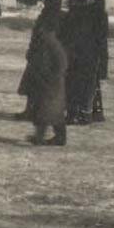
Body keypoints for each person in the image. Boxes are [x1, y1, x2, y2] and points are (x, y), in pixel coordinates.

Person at [15, 0, 63, 120]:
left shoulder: (52, 17)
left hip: (45, 56)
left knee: (39, 87)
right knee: (34, 85)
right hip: (40, 55)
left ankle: (35, 112)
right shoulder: (50, 15)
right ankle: (30, 110)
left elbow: (44, 35)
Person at [26, 8, 68, 146]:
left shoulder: (50, 42)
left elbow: (61, 62)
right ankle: (59, 137)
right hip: (47, 80)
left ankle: (41, 137)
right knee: (51, 110)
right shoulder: (46, 41)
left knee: (45, 110)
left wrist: (53, 77)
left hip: (51, 82)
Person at [60, 0, 101, 125]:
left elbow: (64, 37)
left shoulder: (71, 16)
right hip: (89, 55)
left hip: (75, 55)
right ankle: (85, 113)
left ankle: (73, 114)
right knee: (86, 85)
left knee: (72, 84)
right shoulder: (93, 15)